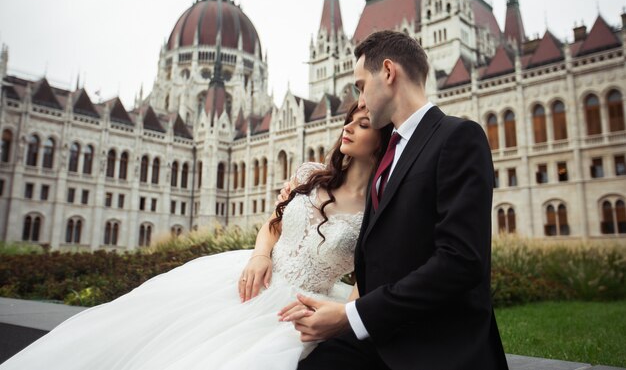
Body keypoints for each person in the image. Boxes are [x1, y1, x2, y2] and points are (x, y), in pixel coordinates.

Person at [0, 103, 392, 370]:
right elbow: (273, 224)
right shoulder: (309, 173)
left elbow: (366, 276)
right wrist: (258, 256)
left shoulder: (378, 206)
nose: (348, 128)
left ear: (383, 138)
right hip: (255, 279)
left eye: (362, 124)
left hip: (303, 307)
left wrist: (340, 317)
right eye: (349, 120)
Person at [279, 30, 509, 370]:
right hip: (383, 336)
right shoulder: (388, 154)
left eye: (359, 85)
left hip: (435, 348)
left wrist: (351, 317)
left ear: (388, 72)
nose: (358, 101)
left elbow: (460, 262)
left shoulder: (458, 137)